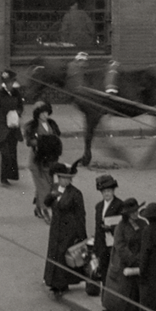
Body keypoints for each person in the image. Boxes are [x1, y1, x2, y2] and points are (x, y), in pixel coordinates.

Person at [43, 163, 86, 296]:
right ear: (59, 178)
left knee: (62, 255)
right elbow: (46, 202)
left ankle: (62, 285)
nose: (66, 181)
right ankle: (52, 282)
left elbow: (80, 215)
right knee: (54, 253)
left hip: (69, 230)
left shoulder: (76, 193)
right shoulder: (54, 188)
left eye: (68, 179)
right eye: (63, 178)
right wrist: (52, 196)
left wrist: (81, 235)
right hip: (56, 228)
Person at [103, 197, 146, 311]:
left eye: (136, 211)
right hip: (124, 263)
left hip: (139, 260)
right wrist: (132, 259)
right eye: (132, 212)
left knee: (137, 290)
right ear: (127, 213)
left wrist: (142, 257)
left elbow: (146, 241)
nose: (135, 214)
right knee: (128, 291)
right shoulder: (120, 227)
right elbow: (120, 246)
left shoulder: (143, 223)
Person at [0, 69, 25, 186]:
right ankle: (3, 178)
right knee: (5, 153)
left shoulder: (16, 93)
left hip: (13, 127)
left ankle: (8, 175)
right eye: (7, 82)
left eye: (11, 82)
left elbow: (21, 106)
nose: (9, 85)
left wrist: (17, 113)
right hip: (1, 127)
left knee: (12, 153)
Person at [24, 101, 62, 218]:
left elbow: (57, 137)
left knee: (49, 185)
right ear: (37, 114)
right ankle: (46, 210)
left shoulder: (52, 124)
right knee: (43, 186)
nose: (45, 115)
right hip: (37, 161)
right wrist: (42, 141)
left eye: (46, 112)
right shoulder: (32, 126)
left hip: (50, 160)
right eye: (42, 113)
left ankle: (38, 207)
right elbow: (29, 142)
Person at [90, 174, 124, 291]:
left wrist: (110, 228)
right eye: (104, 192)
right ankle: (106, 296)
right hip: (102, 244)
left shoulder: (120, 205)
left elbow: (122, 225)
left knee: (114, 271)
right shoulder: (99, 206)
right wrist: (96, 247)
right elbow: (97, 228)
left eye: (109, 191)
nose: (107, 194)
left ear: (113, 191)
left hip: (113, 244)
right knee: (103, 271)